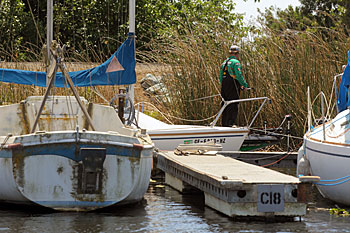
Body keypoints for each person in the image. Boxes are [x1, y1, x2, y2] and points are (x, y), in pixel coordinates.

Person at [219, 45, 248, 127]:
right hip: (233, 85)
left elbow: (221, 77)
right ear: (237, 53)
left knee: (225, 104)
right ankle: (230, 124)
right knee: (233, 104)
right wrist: (244, 85)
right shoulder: (236, 62)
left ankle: (224, 124)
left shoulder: (224, 63)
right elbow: (238, 75)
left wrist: (223, 86)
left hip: (224, 86)